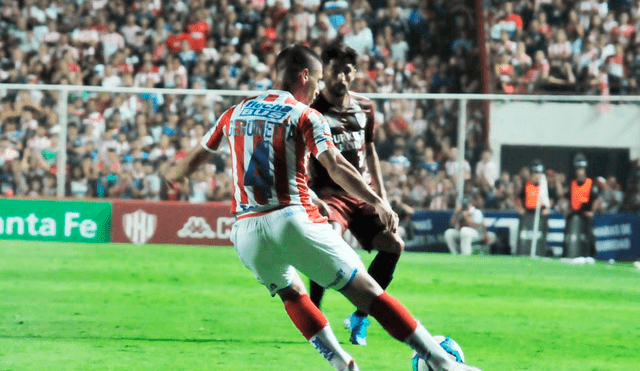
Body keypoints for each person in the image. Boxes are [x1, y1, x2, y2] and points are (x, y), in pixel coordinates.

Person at [163, 45, 481, 371]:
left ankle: (343, 364)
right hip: (290, 219)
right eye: (316, 80)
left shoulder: (234, 112)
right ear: (304, 76)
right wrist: (377, 201)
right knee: (368, 293)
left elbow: (191, 161)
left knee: (293, 293)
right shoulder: (305, 115)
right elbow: (336, 166)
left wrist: (170, 177)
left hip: (246, 232)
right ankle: (444, 364)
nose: (317, 89)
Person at [306, 42, 405, 346]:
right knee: (330, 243)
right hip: (328, 194)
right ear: (324, 74)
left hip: (362, 194)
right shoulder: (310, 110)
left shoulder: (365, 107)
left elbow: (370, 149)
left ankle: (360, 317)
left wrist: (383, 196)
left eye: (348, 71)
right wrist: (310, 195)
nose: (343, 78)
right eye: (336, 71)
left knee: (393, 245)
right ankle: (314, 318)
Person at [563, 153, 600, 258]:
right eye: (578, 169)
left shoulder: (590, 183)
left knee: (588, 237)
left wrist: (592, 211)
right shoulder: (572, 183)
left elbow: (596, 199)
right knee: (570, 235)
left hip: (585, 214)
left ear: (585, 170)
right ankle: (568, 253)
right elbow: (566, 197)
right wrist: (567, 209)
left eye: (581, 169)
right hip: (574, 213)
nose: (579, 171)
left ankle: (589, 255)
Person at [515, 159, 550, 256]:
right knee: (526, 237)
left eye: (539, 173)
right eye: (535, 173)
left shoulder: (544, 186)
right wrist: (520, 209)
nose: (537, 176)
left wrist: (546, 209)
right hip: (528, 215)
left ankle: (540, 253)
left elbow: (550, 199)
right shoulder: (526, 185)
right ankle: (523, 253)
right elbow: (518, 199)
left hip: (540, 215)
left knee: (539, 237)